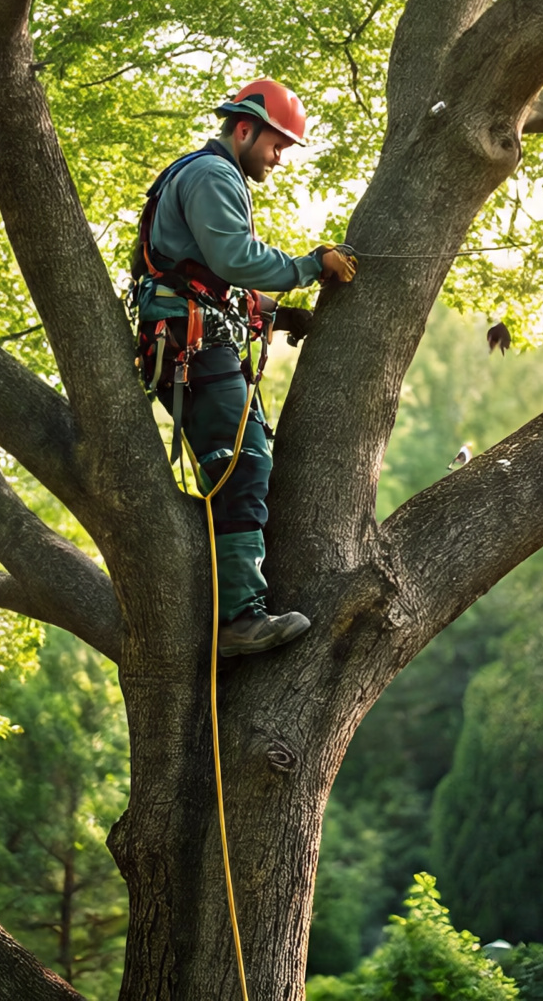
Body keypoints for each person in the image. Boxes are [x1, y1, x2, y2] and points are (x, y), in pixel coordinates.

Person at [131, 80, 356, 656]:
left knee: (246, 463)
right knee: (242, 466)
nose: (280, 158)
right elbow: (235, 259)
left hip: (197, 341)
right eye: (277, 145)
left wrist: (278, 314)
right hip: (191, 350)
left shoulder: (209, 174)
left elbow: (209, 280)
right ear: (244, 128)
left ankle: (234, 605)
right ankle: (238, 619)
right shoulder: (211, 176)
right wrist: (309, 265)